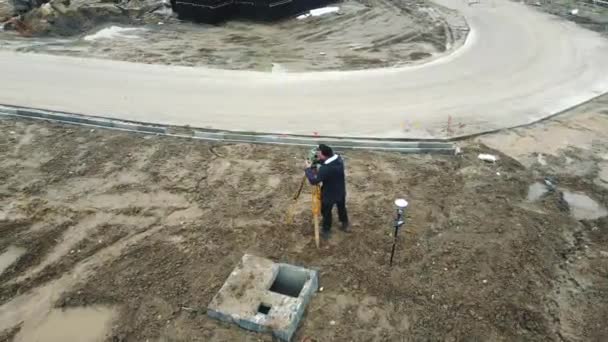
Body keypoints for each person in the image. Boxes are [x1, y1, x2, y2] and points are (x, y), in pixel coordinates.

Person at [305, 144, 349, 239]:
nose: (318, 156)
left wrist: (308, 169)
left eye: (320, 155)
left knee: (326, 212)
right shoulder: (339, 159)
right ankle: (344, 223)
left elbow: (314, 181)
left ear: (325, 155)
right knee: (341, 208)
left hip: (329, 194)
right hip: (341, 191)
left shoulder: (326, 169)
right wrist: (317, 161)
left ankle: (326, 229)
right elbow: (326, 161)